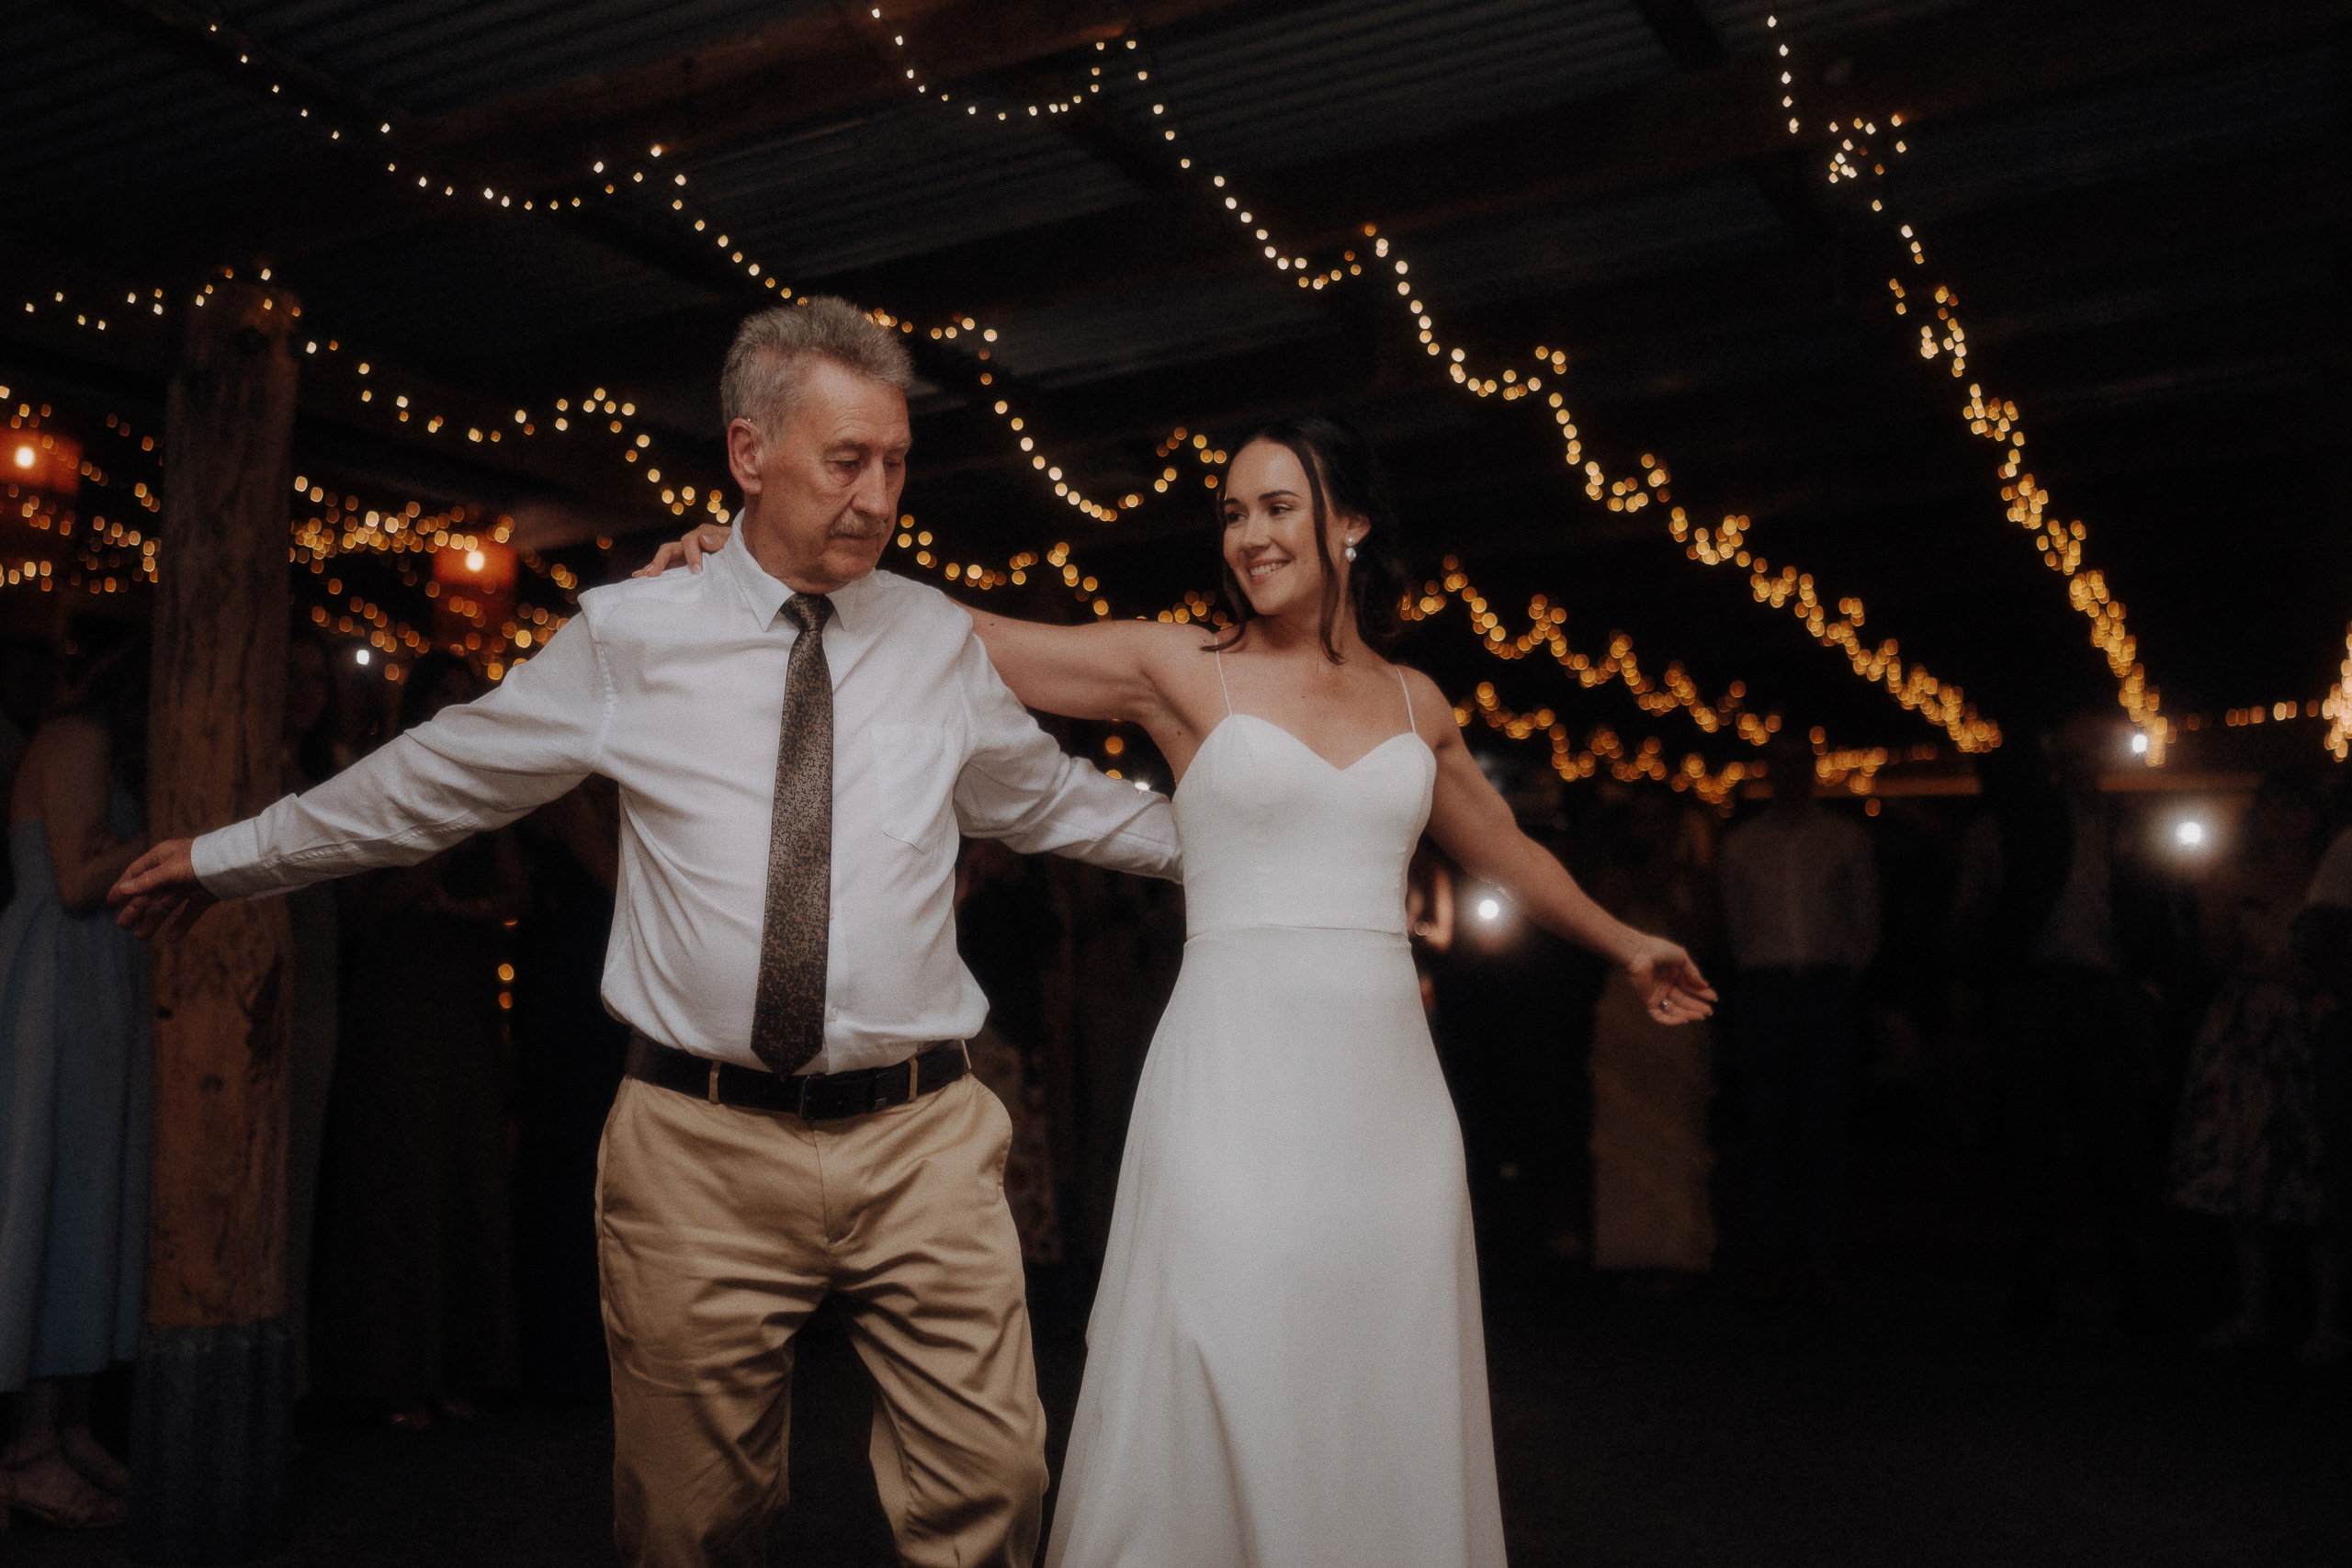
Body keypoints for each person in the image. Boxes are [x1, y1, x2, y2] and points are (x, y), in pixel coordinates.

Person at [112, 298, 1181, 1568]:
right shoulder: (632, 636)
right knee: (689, 1524)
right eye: (847, 460)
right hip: (698, 1147)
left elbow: (1051, 798)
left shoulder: (938, 638)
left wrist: (1258, 848)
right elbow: (434, 778)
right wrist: (235, 856)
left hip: (922, 1141)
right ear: (747, 453)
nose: (879, 492)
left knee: (996, 1486)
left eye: (896, 461)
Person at [650, 414, 1715, 1567]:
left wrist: (1627, 941)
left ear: (1349, 523)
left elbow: (1503, 849)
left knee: (1376, 1361)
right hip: (1232, 1074)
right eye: (1232, 513)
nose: (1251, 535)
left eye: (1278, 506)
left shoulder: (1417, 703)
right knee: (1225, 1342)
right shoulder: (1180, 668)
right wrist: (762, 561)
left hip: (1388, 1103)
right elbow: (971, 634)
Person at [311, 652, 527, 1427]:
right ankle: (392, 1373)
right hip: (394, 992)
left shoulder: (490, 785)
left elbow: (516, 892)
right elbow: (353, 910)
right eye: (444, 695)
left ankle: (465, 1366)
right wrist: (429, 863)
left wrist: (462, 911)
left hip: (461, 990)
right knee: (398, 1178)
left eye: (467, 697)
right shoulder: (383, 778)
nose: (455, 707)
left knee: (468, 1170)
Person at [0, 642, 151, 1529]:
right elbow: (76, 878)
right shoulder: (77, 736)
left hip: (99, 984)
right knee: (48, 1193)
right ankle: (25, 1448)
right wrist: (183, 821)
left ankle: (67, 1424)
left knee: (93, 1199)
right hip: (55, 983)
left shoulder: (108, 749)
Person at [2170, 772, 2337, 1360]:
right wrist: (2205, 902)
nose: (2281, 816)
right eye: (2272, 805)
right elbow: (2217, 959)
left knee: (2316, 1165)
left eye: (2294, 803)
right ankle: (2253, 1310)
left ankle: (2328, 1319)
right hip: (2248, 1033)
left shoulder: (2332, 879)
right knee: (2248, 1169)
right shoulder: (2233, 879)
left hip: (2314, 1029)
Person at [1718, 728, 1879, 1300]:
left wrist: (1837, 976)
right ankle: (1771, 1252)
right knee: (1765, 1126)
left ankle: (1821, 1253)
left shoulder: (1844, 839)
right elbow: (1735, 923)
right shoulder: (1741, 845)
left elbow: (1866, 922)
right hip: (1764, 989)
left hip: (1823, 989)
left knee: (1823, 1126)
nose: (1789, 774)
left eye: (1797, 764)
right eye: (1779, 764)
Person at [1589, 791, 1719, 1292]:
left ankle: (1675, 1249)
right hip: (1624, 1009)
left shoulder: (1693, 879)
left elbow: (1706, 939)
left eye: (1657, 820)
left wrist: (1665, 895)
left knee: (1673, 1127)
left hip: (1677, 1006)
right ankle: (1626, 1248)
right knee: (1626, 1126)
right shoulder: (1613, 876)